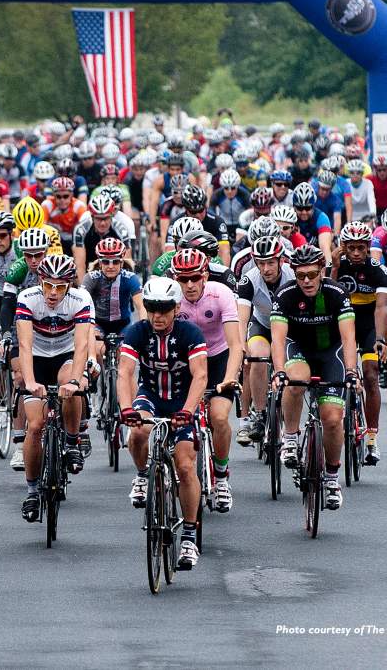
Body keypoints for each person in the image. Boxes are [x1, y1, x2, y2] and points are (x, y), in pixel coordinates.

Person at [118, 277, 207, 570]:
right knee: (137, 431)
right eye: (151, 308)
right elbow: (126, 373)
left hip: (183, 401)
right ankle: (144, 475)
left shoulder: (190, 333)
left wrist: (189, 410)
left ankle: (190, 537)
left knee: (184, 465)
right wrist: (126, 408)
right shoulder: (136, 332)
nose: (157, 315)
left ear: (176, 308)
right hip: (151, 396)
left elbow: (201, 376)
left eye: (164, 309)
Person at [270, 245, 357, 511]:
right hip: (299, 348)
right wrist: (278, 370)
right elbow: (277, 337)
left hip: (331, 353)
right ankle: (291, 438)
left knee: (332, 419)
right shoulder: (285, 294)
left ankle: (331, 478)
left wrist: (352, 372)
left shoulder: (336, 293)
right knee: (295, 381)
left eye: (311, 274)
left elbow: (348, 337)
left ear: (322, 271)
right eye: (300, 275)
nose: (306, 281)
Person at [15, 254, 94, 523]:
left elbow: (82, 344)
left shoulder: (81, 299)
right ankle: (32, 491)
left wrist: (75, 379)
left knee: (71, 385)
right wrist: (29, 381)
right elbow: (24, 345)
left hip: (65, 355)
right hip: (36, 358)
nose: (53, 292)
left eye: (60, 287)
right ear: (40, 281)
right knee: (35, 425)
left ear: (69, 285)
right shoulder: (28, 298)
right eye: (48, 285)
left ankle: (72, 441)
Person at [171, 248, 242, 512]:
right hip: (186, 360)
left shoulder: (220, 293)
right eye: (182, 279)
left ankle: (221, 476)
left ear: (205, 275)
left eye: (194, 278)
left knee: (220, 417)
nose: (189, 285)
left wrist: (230, 378)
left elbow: (236, 345)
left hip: (218, 357)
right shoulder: (173, 298)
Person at [331, 221, 387, 465]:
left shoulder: (378, 270)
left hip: (368, 324)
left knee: (371, 374)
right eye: (351, 248)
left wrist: (380, 339)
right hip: (342, 322)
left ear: (368, 247)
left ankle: (372, 439)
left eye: (361, 248)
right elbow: (326, 296)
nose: (355, 253)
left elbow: (382, 308)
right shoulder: (337, 264)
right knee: (338, 370)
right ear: (344, 247)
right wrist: (333, 268)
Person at [0, 228, 51, 471]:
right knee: (20, 378)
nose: (33, 261)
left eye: (38, 255)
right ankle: (20, 444)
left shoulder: (54, 268)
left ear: (46, 252)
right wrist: (7, 333)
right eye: (28, 255)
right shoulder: (18, 270)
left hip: (51, 332)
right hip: (23, 330)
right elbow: (7, 305)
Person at [236, 236, 295, 445]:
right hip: (262, 324)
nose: (266, 268)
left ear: (281, 260)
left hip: (290, 327)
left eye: (271, 262)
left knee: (291, 367)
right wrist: (241, 344)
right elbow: (241, 317)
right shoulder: (249, 280)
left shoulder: (293, 274)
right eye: (261, 263)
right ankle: (260, 415)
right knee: (257, 358)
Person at [73, 195, 131, 282]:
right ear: (92, 217)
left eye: (106, 218)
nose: (103, 223)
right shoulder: (81, 230)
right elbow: (80, 266)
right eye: (99, 219)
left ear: (112, 215)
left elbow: (127, 264)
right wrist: (83, 290)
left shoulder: (121, 230)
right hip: (89, 269)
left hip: (114, 269)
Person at [170, 185, 230, 266]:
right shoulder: (176, 223)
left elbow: (224, 251)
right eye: (193, 212)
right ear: (186, 209)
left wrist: (223, 273)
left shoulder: (217, 221)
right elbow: (169, 250)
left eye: (201, 210)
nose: (198, 215)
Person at [41, 177, 87, 254]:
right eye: (58, 196)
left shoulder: (79, 206)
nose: (62, 200)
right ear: (53, 195)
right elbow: (41, 227)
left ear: (72, 195)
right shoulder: (47, 204)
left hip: (72, 241)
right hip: (53, 240)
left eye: (65, 196)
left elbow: (85, 231)